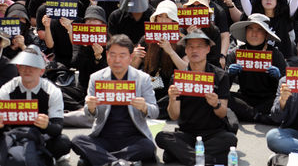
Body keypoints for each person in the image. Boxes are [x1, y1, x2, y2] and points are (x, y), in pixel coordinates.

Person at [71, 34, 158, 166]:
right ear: (107, 55)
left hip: (133, 137)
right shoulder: (96, 78)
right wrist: (91, 107)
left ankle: (103, 159)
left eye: (122, 55)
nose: (117, 60)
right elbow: (89, 115)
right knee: (78, 140)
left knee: (148, 147)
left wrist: (144, 107)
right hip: (104, 136)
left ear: (130, 57)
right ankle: (118, 163)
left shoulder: (142, 78)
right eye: (113, 55)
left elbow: (155, 111)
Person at [156, 31, 237, 165]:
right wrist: (172, 99)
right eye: (191, 47)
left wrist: (215, 103)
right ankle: (205, 160)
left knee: (230, 139)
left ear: (207, 49)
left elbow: (223, 112)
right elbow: (174, 116)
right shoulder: (178, 78)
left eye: (199, 46)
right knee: (162, 137)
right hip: (187, 133)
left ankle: (184, 155)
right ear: (186, 50)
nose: (195, 50)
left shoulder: (220, 76)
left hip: (213, 133)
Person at [0, 45, 71, 164]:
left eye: (33, 66)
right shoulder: (7, 89)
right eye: (24, 65)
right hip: (13, 136)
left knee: (63, 142)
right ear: (18, 67)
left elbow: (58, 128)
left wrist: (47, 125)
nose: (28, 69)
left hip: (41, 137)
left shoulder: (52, 91)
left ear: (42, 70)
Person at [227, 14, 286, 123]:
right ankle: (258, 117)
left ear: (266, 35)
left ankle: (249, 114)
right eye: (250, 29)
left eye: (259, 30)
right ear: (245, 31)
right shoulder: (236, 53)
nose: (254, 33)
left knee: (287, 100)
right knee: (223, 96)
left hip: (268, 99)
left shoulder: (276, 54)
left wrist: (279, 77)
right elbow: (225, 86)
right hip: (244, 98)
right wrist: (229, 75)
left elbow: (286, 86)